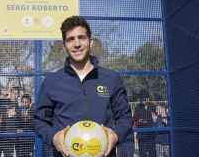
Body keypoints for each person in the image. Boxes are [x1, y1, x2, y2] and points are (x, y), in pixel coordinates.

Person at [34, 15, 133, 157]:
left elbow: (125, 117)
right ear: (64, 46)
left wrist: (116, 135)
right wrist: (53, 137)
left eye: (81, 37)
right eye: (70, 39)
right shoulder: (51, 81)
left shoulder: (111, 78)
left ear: (90, 42)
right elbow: (40, 121)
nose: (77, 44)